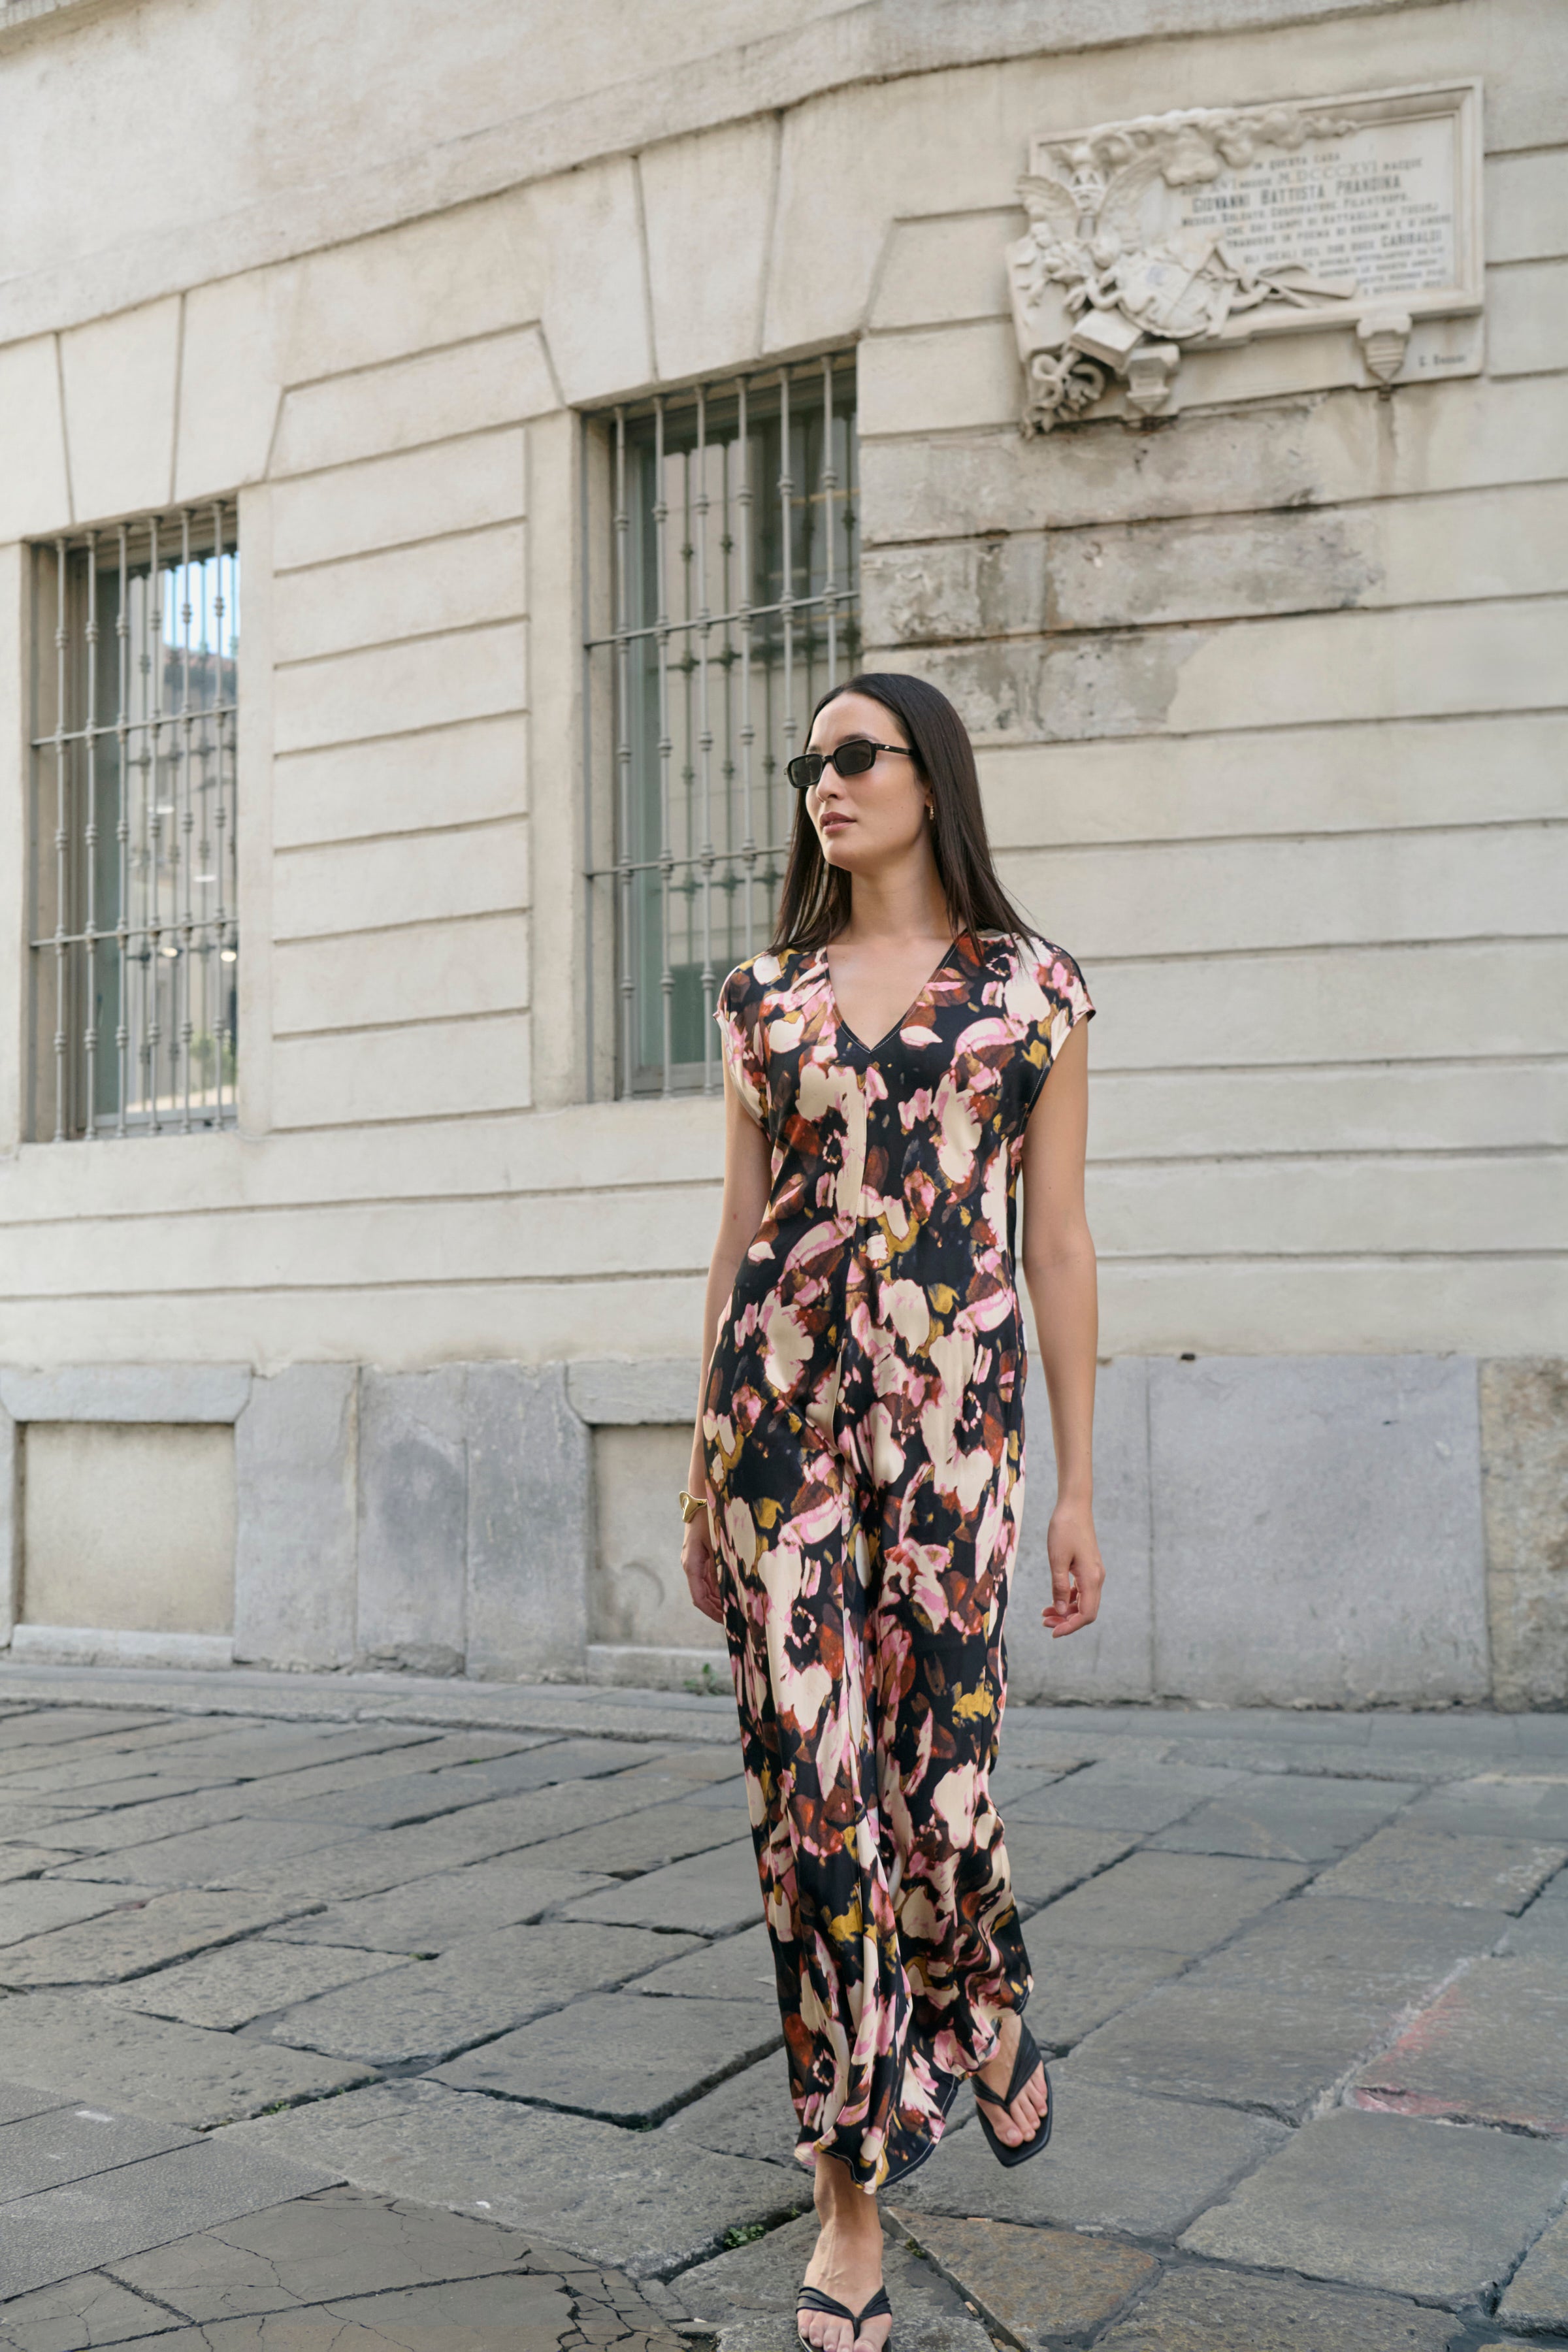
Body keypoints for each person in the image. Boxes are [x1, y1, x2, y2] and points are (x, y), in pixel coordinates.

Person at [678, 672, 1105, 2352]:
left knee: (942, 1785)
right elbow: (734, 1235)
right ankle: (848, 2192)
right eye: (807, 764)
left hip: (958, 1444)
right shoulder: (759, 1001)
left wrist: (1082, 1485)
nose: (822, 784)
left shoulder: (1034, 993)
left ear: (934, 778)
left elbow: (1059, 1241)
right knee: (812, 1804)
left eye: (853, 755)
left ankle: (983, 1991)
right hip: (778, 1434)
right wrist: (699, 1461)